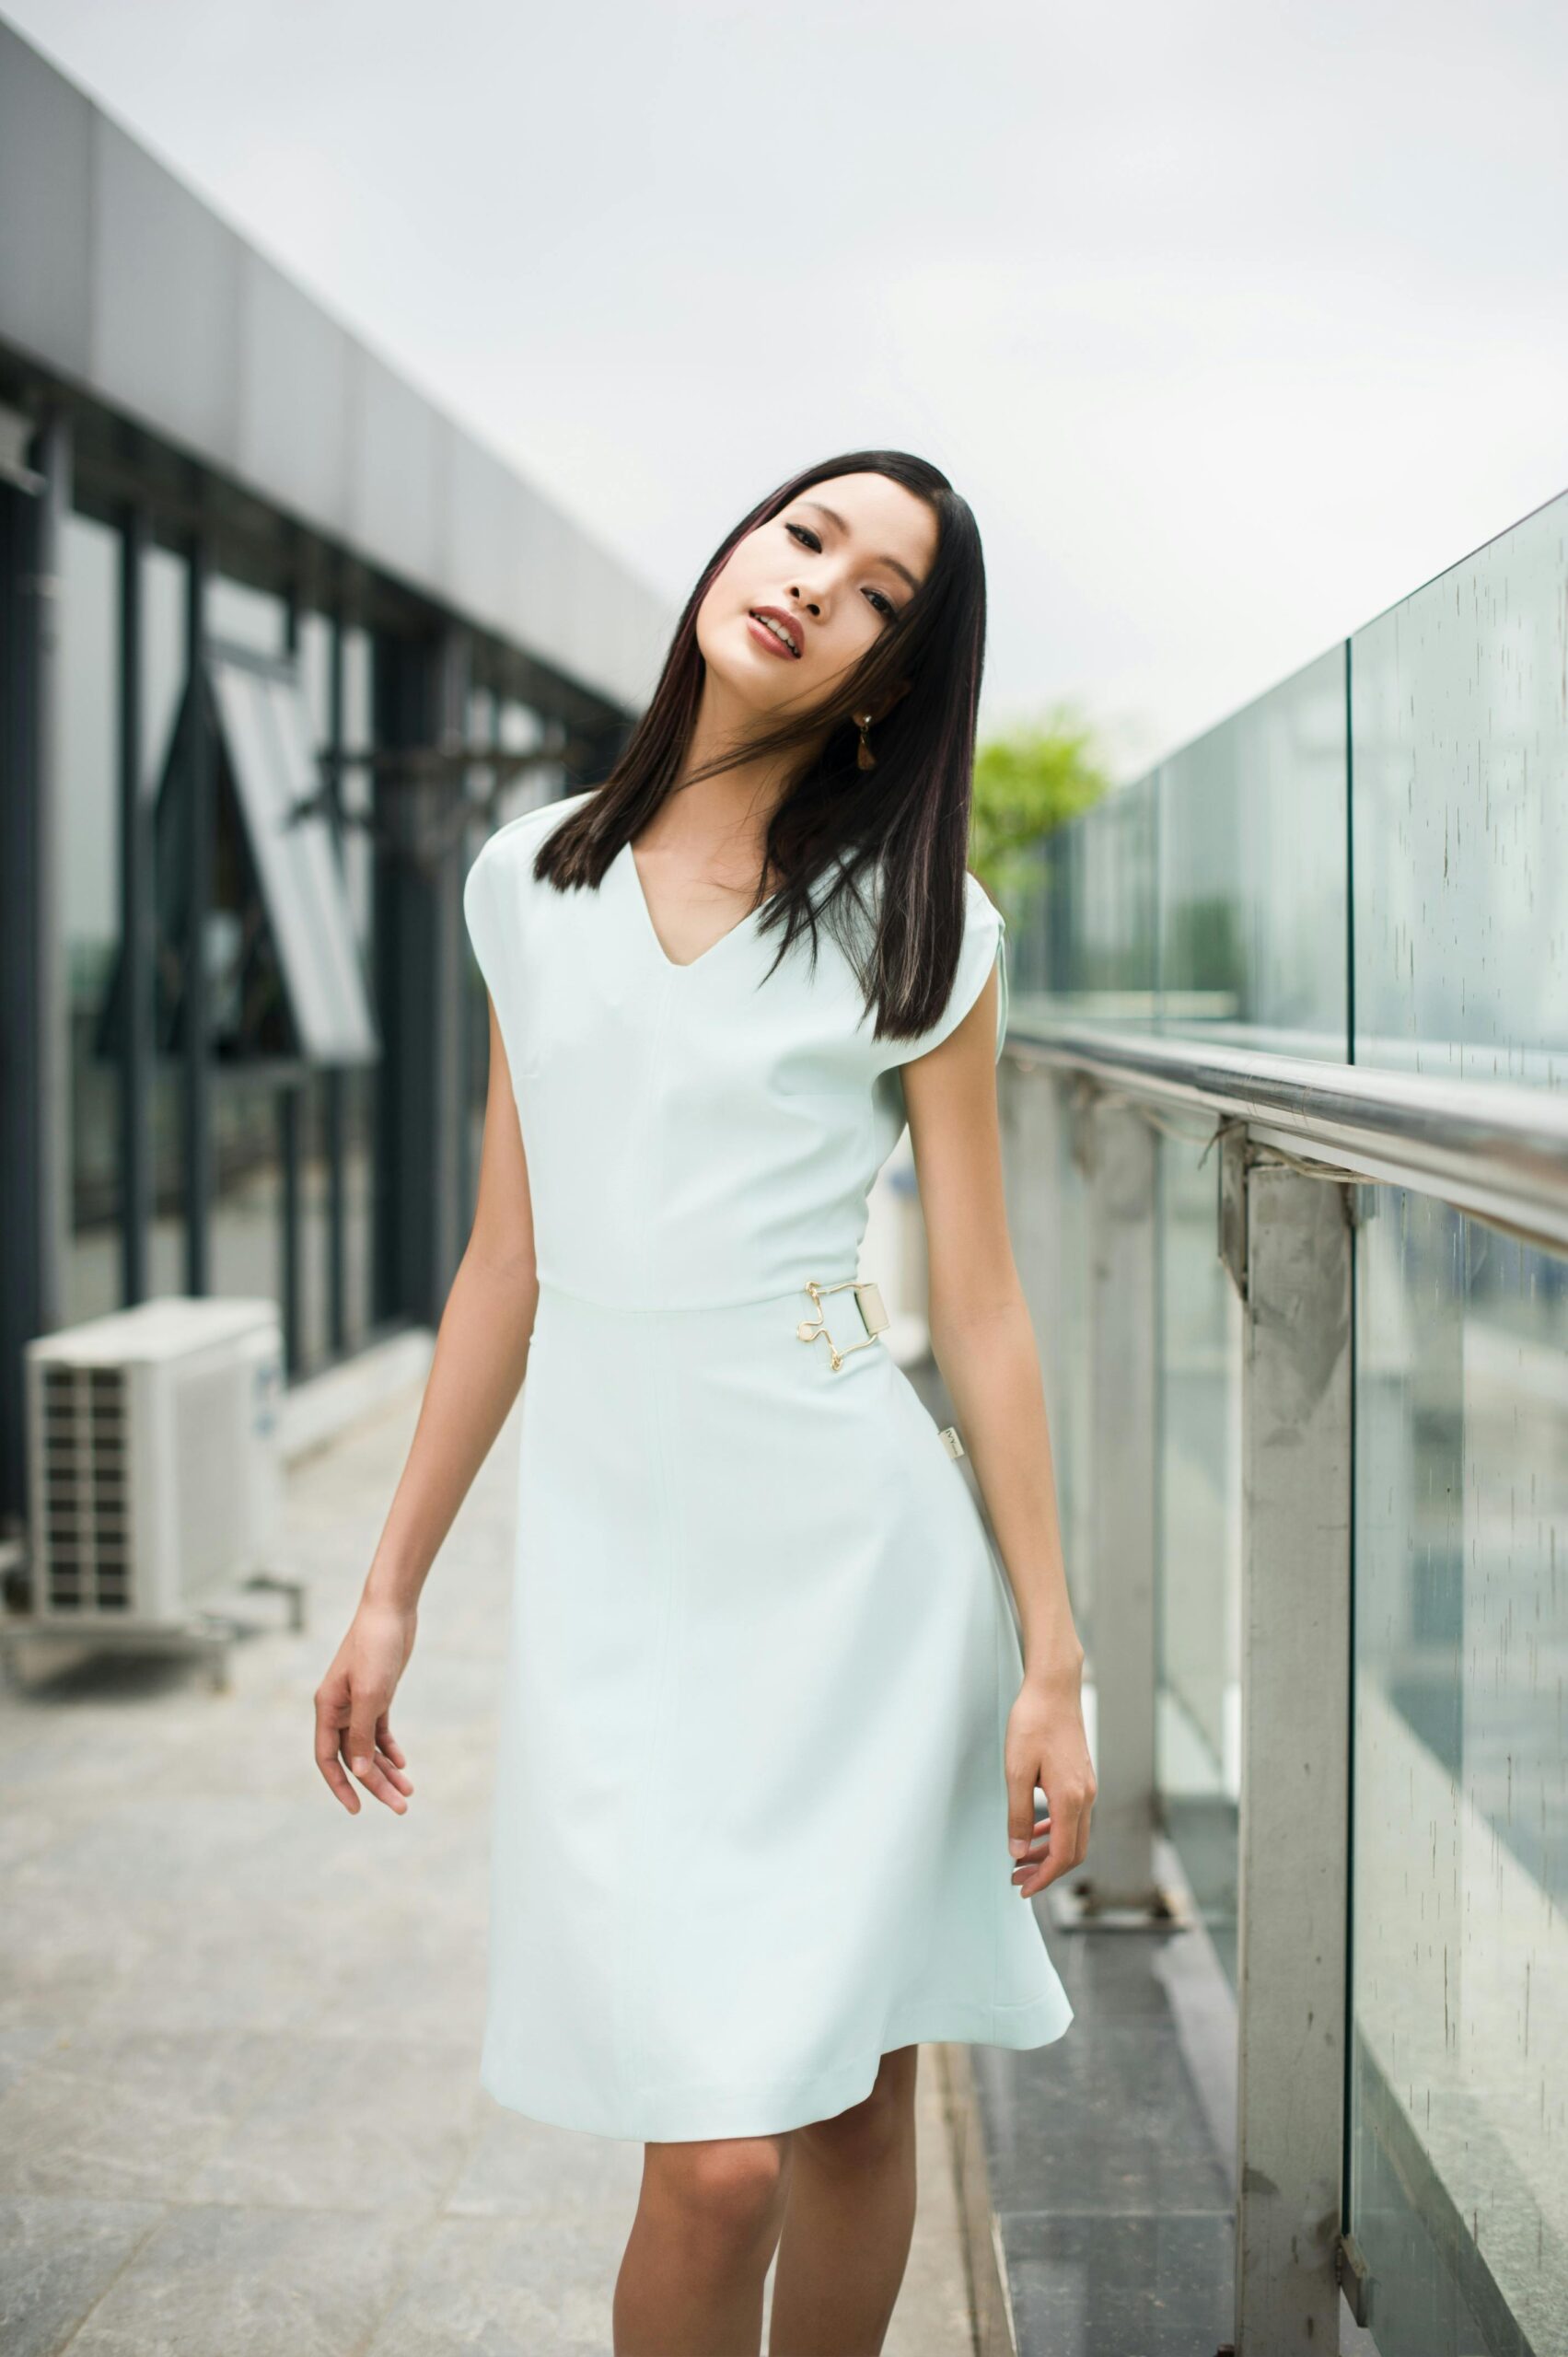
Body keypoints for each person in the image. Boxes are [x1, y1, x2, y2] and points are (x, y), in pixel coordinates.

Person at [313, 448, 1095, 2357]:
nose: (821, 586)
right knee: (714, 2156)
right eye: (808, 533)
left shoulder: (925, 928)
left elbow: (981, 1307)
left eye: (882, 598)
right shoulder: (529, 876)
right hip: (622, 1583)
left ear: (890, 686)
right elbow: (505, 1262)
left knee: (847, 2101)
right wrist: (392, 1578)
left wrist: (1053, 1654)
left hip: (855, 1572)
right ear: (742, 546)